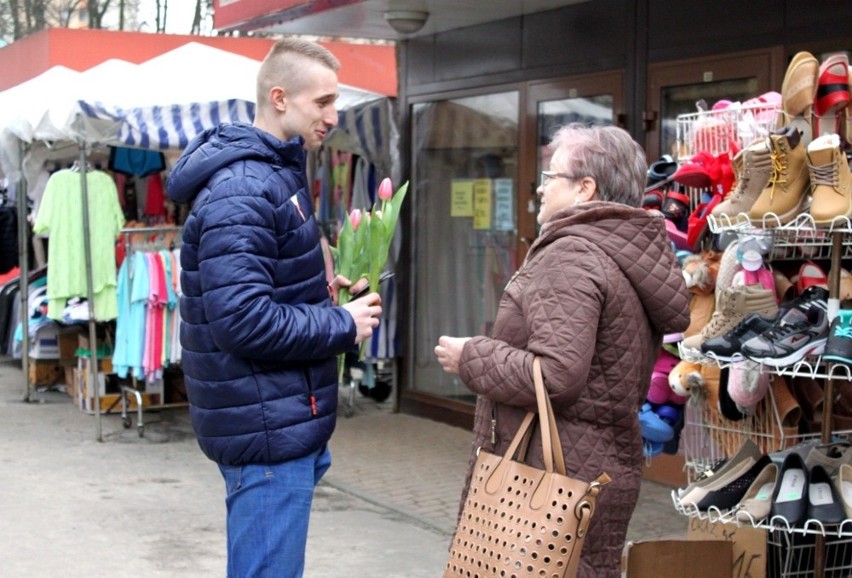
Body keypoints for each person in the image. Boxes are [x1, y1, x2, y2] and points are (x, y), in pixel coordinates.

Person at [166, 38, 382, 577]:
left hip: (277, 417)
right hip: (264, 430)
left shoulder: (274, 172)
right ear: (280, 98)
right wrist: (341, 324)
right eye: (323, 102)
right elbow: (241, 319)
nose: (334, 116)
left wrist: (320, 289)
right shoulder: (245, 187)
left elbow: (262, 291)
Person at [434, 123, 690, 578]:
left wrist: (471, 356)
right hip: (596, 469)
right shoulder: (620, 254)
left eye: (551, 177)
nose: (541, 188)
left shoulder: (572, 253)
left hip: (548, 483)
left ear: (585, 188)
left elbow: (556, 375)